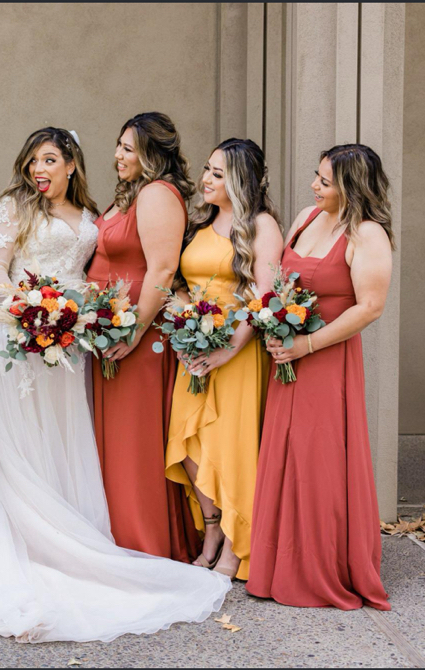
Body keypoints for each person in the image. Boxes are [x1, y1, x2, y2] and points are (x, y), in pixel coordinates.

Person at [0, 128, 231, 643]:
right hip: (18, 337)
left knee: (68, 434)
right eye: (32, 161)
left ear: (72, 164)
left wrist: (78, 319)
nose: (39, 170)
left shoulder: (93, 216)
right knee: (22, 440)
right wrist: (30, 312)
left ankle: (75, 530)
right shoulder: (12, 208)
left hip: (70, 343)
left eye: (49, 159)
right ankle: (30, 541)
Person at [247, 144, 393, 610]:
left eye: (326, 181)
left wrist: (306, 344)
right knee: (285, 453)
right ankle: (279, 567)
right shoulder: (307, 217)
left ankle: (320, 568)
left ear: (352, 186)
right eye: (317, 176)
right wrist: (272, 325)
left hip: (326, 360)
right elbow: (280, 280)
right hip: (286, 356)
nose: (315, 186)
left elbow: (370, 307)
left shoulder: (367, 234)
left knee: (318, 460)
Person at [163, 138, 283, 580]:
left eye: (217, 173)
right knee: (189, 442)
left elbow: (263, 296)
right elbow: (178, 282)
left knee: (230, 447)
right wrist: (183, 322)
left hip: (237, 352)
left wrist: (226, 348)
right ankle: (211, 529)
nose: (205, 180)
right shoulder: (198, 225)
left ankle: (237, 546)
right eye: (207, 170)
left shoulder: (261, 226)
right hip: (193, 348)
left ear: (238, 179)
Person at [87, 112, 202, 562]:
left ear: (153, 154)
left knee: (134, 444)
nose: (118, 155)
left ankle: (143, 541)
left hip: (139, 336)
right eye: (118, 145)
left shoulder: (156, 194)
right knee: (116, 443)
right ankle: (118, 532)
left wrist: (133, 331)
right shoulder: (133, 193)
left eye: (129, 148)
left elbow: (162, 270)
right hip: (114, 332)